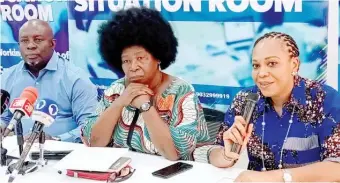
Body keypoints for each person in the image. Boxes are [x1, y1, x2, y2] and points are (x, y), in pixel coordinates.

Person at [194, 32, 340, 182]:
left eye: (272, 63)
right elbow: (215, 152)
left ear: (294, 64)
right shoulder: (246, 99)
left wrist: (276, 178)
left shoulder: (324, 99)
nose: (261, 73)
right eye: (256, 65)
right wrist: (226, 154)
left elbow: (337, 166)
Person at [81, 7, 210, 161]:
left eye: (140, 58)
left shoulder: (181, 92)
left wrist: (145, 106)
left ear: (158, 57)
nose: (133, 67)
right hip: (124, 172)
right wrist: (120, 103)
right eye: (126, 61)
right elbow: (93, 143)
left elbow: (174, 153)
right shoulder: (116, 89)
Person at [1, 19, 98, 143]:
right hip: (19, 152)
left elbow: (90, 127)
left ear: (52, 44)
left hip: (64, 153)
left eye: (38, 40)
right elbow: (5, 117)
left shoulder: (75, 79)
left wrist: (55, 140)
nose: (30, 46)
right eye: (24, 41)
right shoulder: (7, 76)